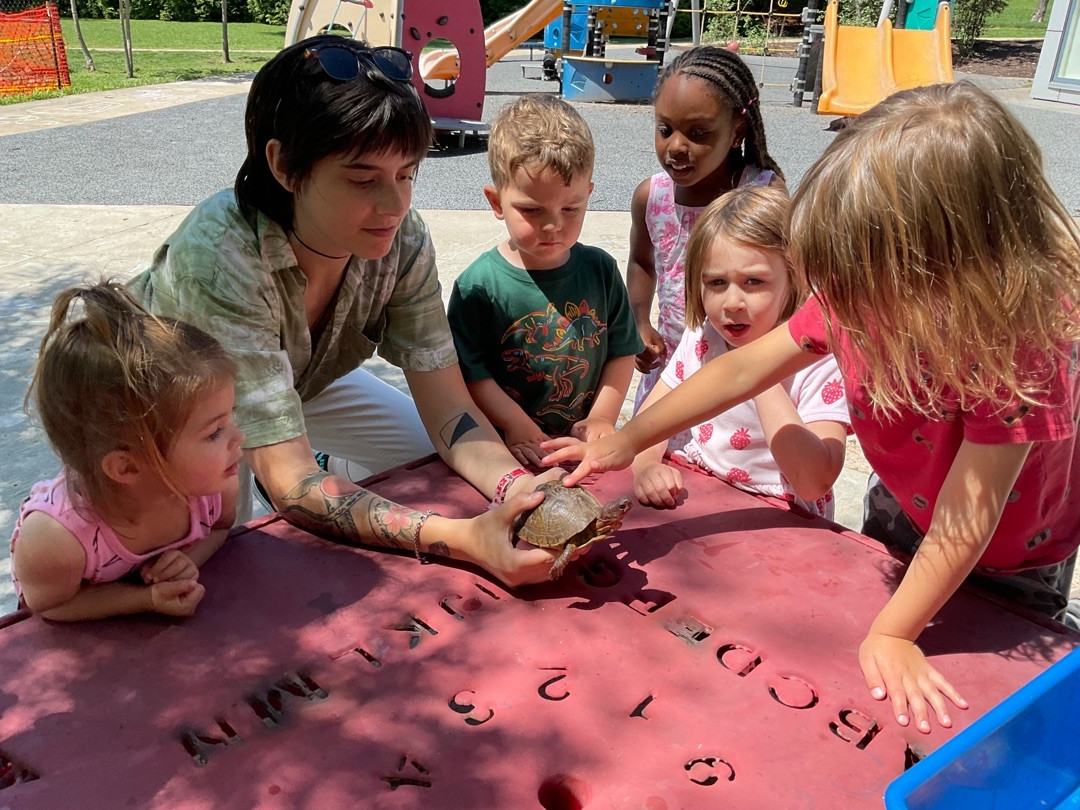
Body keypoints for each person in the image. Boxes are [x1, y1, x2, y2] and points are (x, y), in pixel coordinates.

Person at [544, 81, 1080, 734]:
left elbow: (969, 520)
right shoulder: (863, 291)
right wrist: (625, 442)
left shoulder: (1019, 343)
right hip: (907, 502)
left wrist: (893, 635)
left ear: (945, 266)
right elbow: (743, 367)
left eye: (861, 269)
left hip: (1016, 551)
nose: (841, 293)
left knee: (985, 696)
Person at [129, 36, 564, 589]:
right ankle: (321, 480)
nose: (394, 205)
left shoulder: (402, 239)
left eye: (407, 173)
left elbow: (450, 406)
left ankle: (332, 475)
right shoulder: (220, 258)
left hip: (297, 380)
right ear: (283, 165)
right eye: (363, 180)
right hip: (178, 413)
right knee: (217, 553)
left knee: (420, 455)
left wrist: (519, 491)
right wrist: (462, 539)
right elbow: (288, 481)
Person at [10, 282, 241, 621]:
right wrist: (144, 599)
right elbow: (48, 607)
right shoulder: (56, 542)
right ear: (127, 468)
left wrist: (189, 560)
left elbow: (221, 530)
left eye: (230, 419)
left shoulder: (213, 491)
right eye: (214, 432)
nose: (239, 438)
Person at [447, 94, 644, 467]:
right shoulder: (479, 286)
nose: (553, 225)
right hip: (505, 448)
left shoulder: (600, 270)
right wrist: (513, 423)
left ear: (589, 196)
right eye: (532, 210)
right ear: (495, 202)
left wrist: (602, 417)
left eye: (571, 208)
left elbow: (622, 351)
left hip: (581, 447)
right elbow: (468, 373)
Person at [630, 186, 849, 518]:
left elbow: (813, 482)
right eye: (717, 283)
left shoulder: (816, 359)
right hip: (707, 495)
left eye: (754, 282)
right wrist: (646, 466)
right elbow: (649, 423)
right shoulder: (703, 339)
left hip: (785, 521)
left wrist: (761, 370)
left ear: (793, 278)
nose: (732, 303)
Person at [628, 45, 785, 423]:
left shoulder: (762, 194)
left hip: (739, 366)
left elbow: (786, 277)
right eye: (665, 129)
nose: (677, 146)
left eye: (698, 133)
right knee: (655, 465)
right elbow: (641, 260)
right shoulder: (652, 197)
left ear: (737, 132)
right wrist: (638, 322)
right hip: (670, 368)